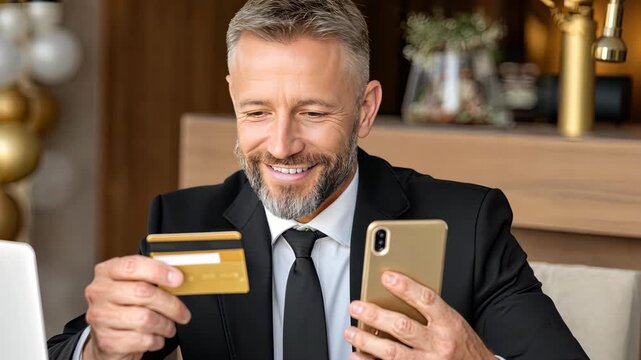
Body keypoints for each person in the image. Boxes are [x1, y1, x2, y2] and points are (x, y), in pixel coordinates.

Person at [48, 0, 588, 359]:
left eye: (312, 113)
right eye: (257, 112)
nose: (281, 145)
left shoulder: (467, 225)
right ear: (233, 97)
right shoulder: (186, 222)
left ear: (366, 109)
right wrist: (100, 347)